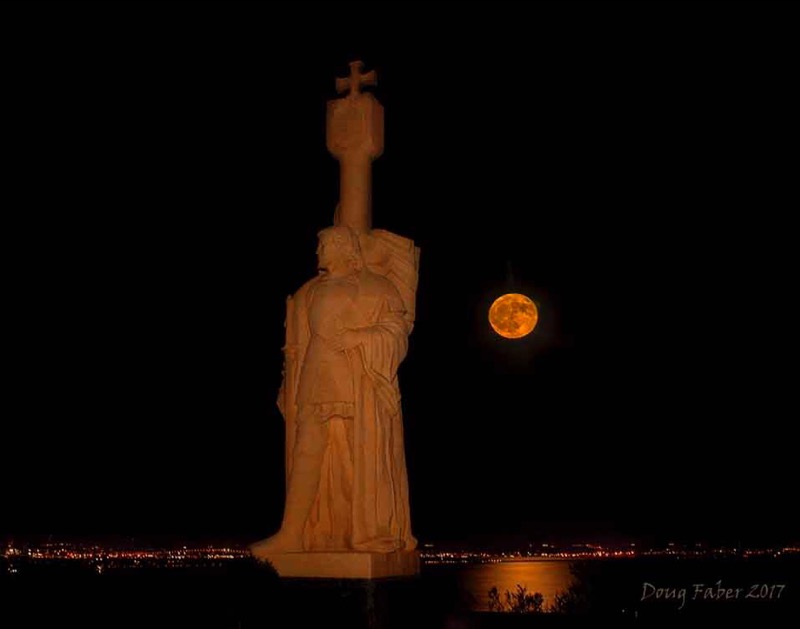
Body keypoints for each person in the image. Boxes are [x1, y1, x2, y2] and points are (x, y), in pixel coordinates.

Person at [251, 224, 416, 554]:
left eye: (323, 245)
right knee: (307, 453)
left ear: (343, 247)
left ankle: (367, 529)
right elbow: (297, 342)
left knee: (361, 454)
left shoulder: (376, 288)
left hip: (357, 381)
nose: (317, 252)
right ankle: (291, 532)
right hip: (316, 378)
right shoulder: (309, 291)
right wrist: (290, 381)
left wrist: (361, 338)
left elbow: (397, 331)